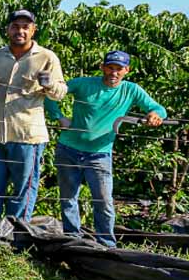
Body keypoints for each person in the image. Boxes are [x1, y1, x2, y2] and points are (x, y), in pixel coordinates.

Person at [45, 50, 167, 247]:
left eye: (119, 69)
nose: (114, 72)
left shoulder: (131, 90)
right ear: (103, 67)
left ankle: (107, 244)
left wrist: (154, 114)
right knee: (68, 198)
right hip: (69, 148)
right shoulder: (84, 83)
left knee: (104, 201)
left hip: (100, 153)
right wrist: (58, 117)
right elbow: (52, 94)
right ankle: (71, 239)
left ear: (127, 70)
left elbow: (159, 109)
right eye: (110, 67)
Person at [0, 10, 67, 228]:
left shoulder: (46, 57)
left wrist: (48, 85)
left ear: (33, 30)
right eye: (16, 26)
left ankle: (17, 236)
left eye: (25, 27)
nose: (20, 31)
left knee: (23, 190)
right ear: (8, 29)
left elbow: (61, 92)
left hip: (28, 137)